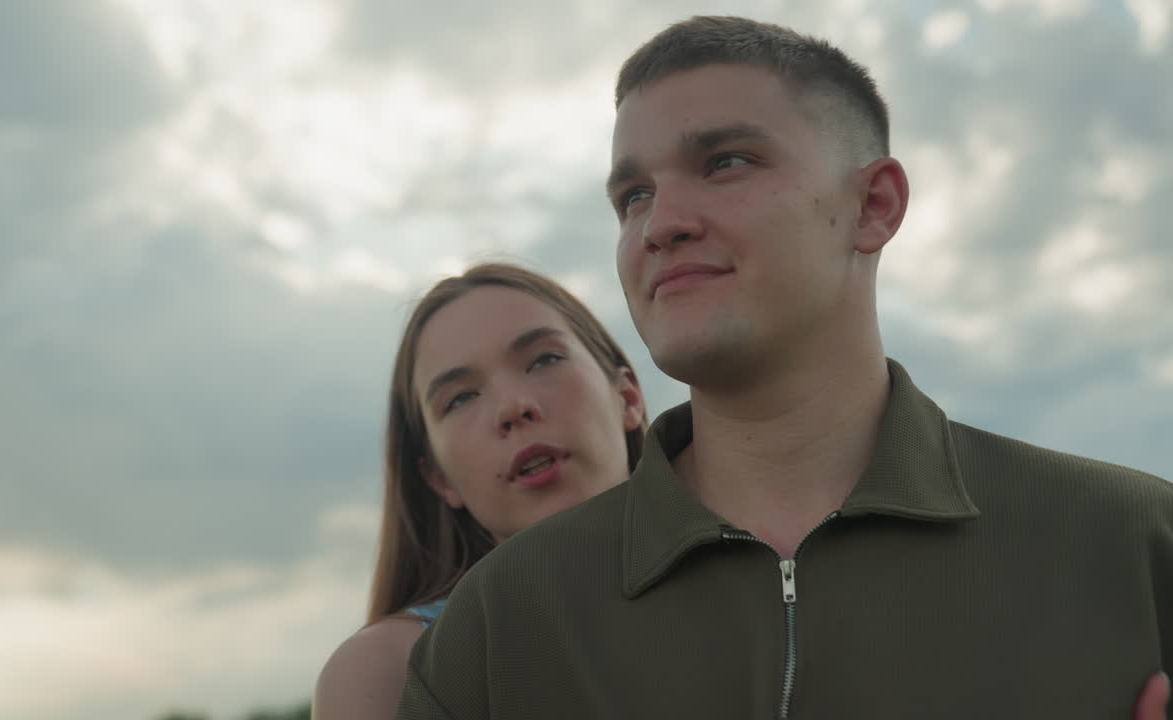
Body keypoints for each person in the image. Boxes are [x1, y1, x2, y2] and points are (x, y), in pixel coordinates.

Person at [397, 16, 1172, 720]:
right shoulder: (498, 631)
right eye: (633, 196)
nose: (661, 224)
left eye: (724, 161)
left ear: (874, 205)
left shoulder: (1134, 546)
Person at [312, 263, 647, 720]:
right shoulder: (390, 673)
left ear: (627, 396)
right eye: (460, 398)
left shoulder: (764, 586)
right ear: (439, 478)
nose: (512, 408)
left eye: (543, 360)